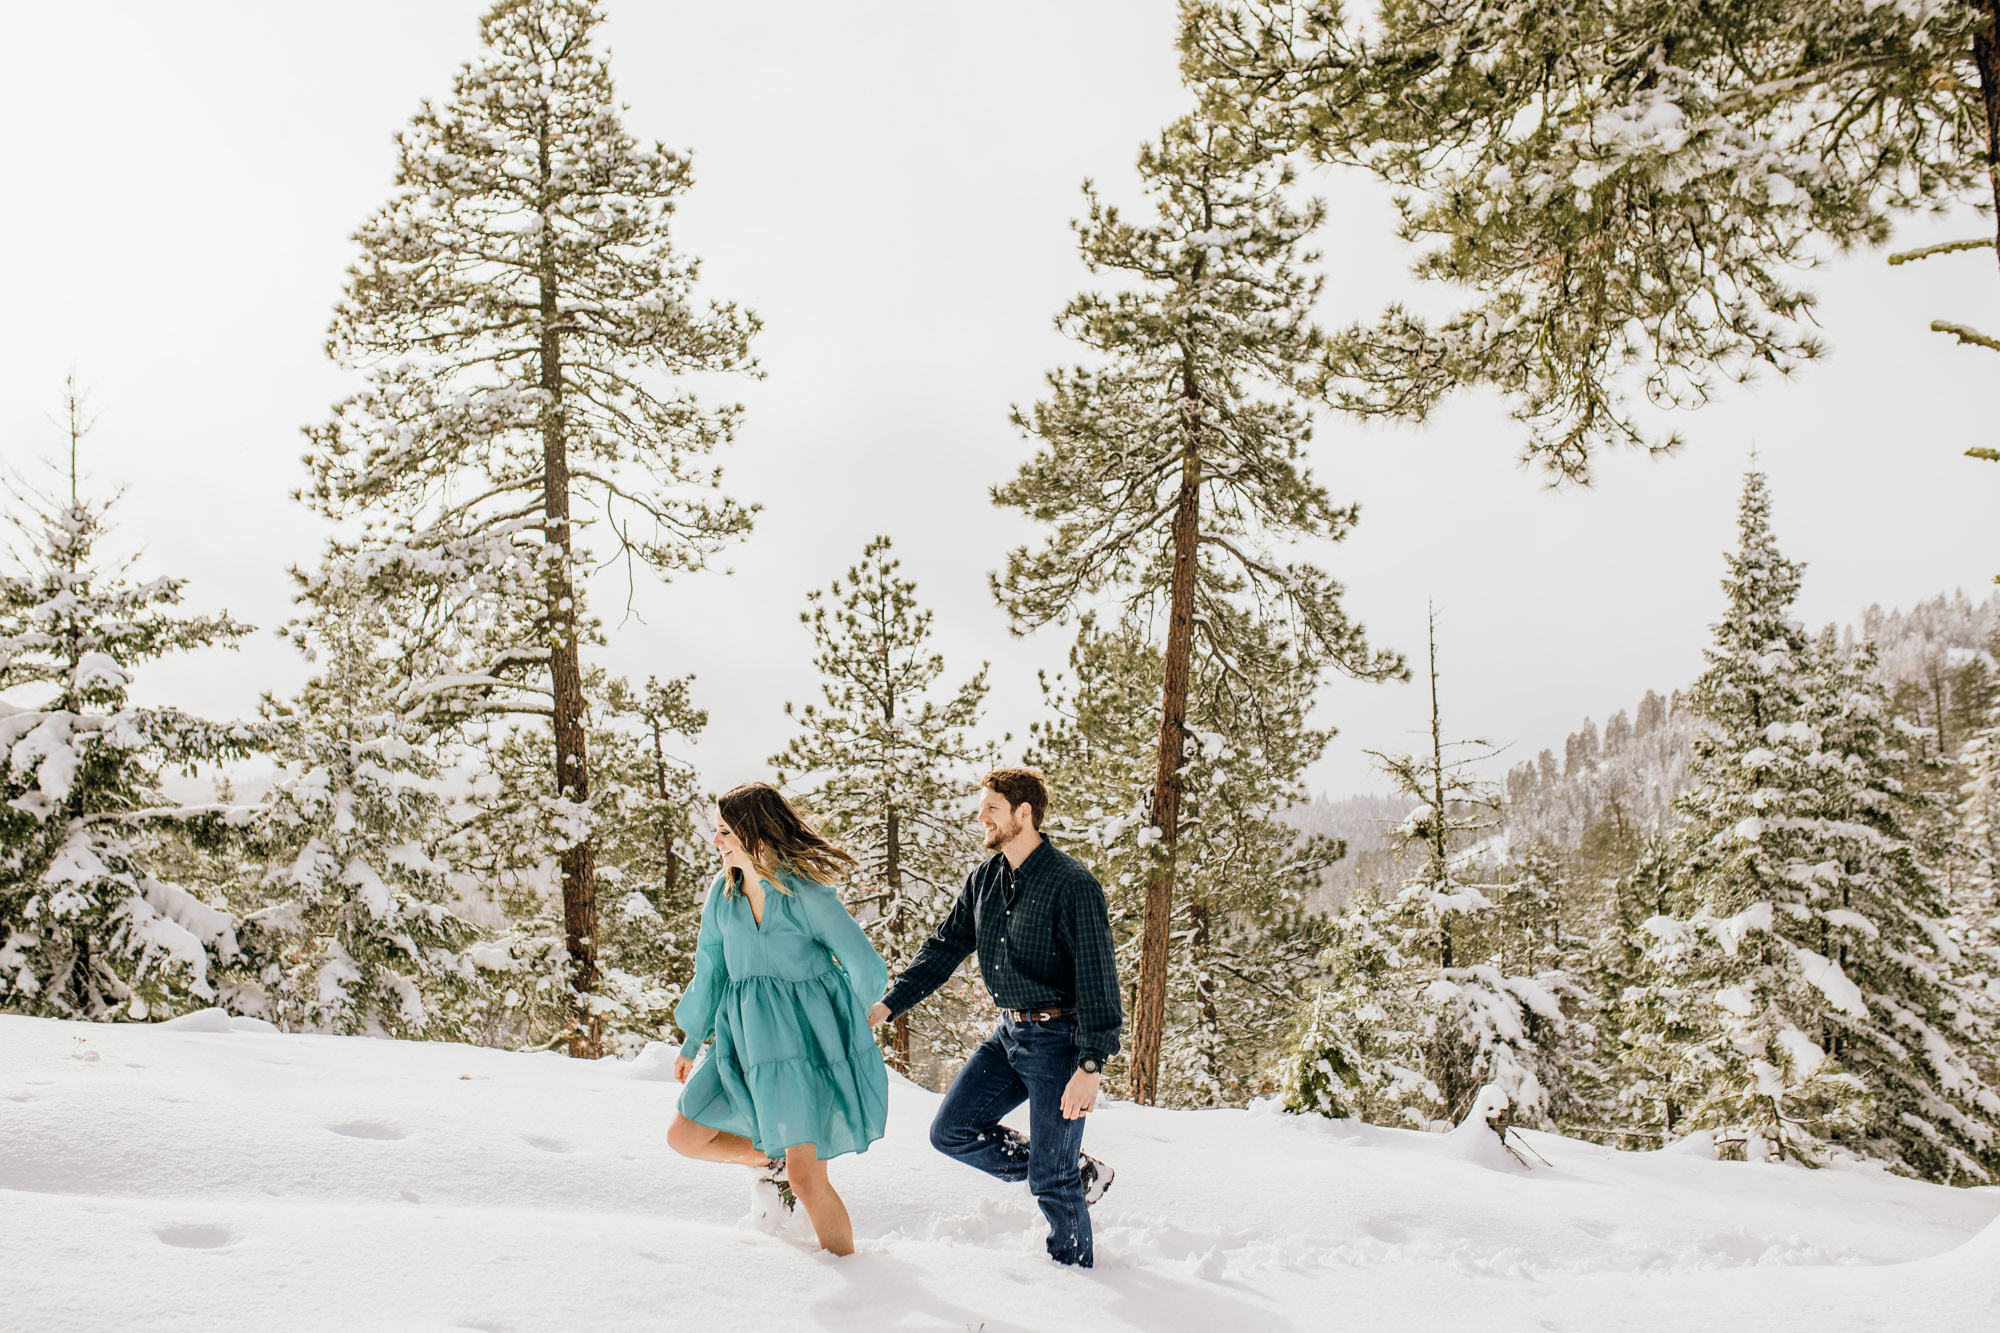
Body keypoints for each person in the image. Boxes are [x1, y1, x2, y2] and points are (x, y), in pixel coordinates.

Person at [868, 767, 1122, 1268]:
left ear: (1024, 814)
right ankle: (1073, 1170)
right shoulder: (985, 879)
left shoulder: (1072, 885)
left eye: (992, 808)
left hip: (1060, 1042)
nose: (980, 816)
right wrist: (888, 1005)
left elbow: (1099, 980)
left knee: (1052, 1181)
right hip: (1008, 1035)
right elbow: (945, 947)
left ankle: (1074, 1279)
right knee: (952, 1131)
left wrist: (1090, 1066)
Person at [667, 782, 889, 1257]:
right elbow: (711, 968)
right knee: (684, 1135)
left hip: (801, 1050)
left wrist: (843, 1023)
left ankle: (857, 1279)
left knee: (808, 1180)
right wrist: (691, 1041)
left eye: (725, 831)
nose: (716, 841)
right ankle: (772, 1160)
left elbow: (866, 967)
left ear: (754, 833)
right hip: (742, 1042)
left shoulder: (804, 894)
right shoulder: (723, 894)